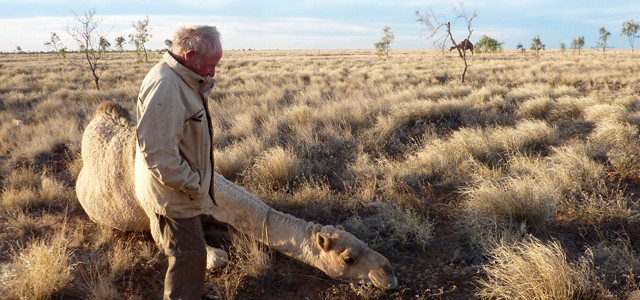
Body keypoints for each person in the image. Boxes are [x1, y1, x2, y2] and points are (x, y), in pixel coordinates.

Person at [134, 25, 222, 299]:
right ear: (190, 54)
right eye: (209, 65)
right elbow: (160, 156)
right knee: (189, 256)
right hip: (173, 195)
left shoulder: (181, 79)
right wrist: (194, 184)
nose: (213, 73)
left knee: (191, 254)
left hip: (180, 191)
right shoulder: (166, 86)